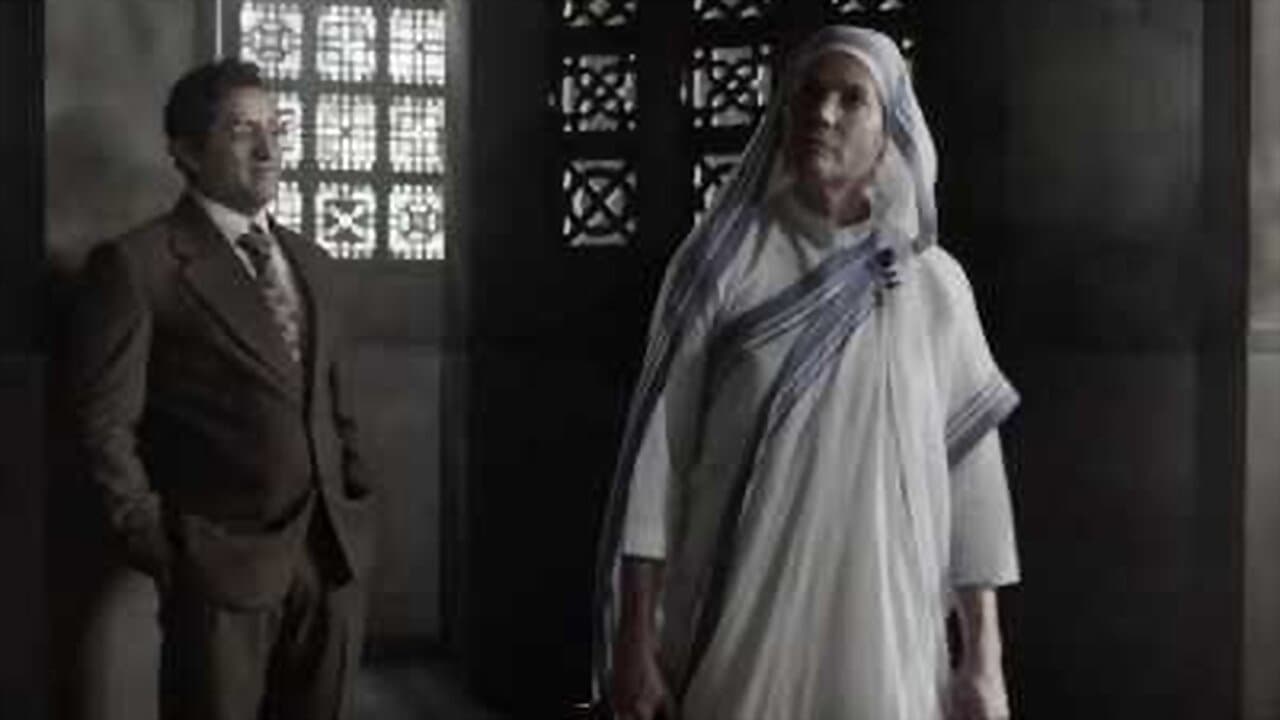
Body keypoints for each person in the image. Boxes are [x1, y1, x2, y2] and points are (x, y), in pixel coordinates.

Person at [595, 25, 1020, 720]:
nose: (824, 113)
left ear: (889, 131)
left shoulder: (933, 284)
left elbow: (975, 483)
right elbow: (657, 464)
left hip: (888, 640)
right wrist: (634, 640)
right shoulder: (721, 266)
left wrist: (983, 658)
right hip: (738, 636)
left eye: (852, 99)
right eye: (809, 94)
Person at [66, 59, 375, 720]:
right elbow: (105, 427)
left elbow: (339, 408)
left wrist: (357, 503)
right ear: (185, 151)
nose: (268, 149)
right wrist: (161, 545)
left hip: (331, 562)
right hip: (217, 569)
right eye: (241, 131)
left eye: (276, 128)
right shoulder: (139, 265)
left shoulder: (315, 263)